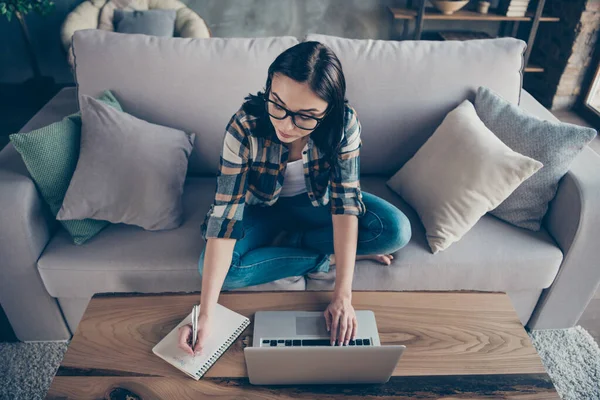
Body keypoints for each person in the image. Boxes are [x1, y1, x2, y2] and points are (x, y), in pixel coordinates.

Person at [178, 41, 411, 356]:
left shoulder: (344, 124)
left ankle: (299, 244)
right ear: (269, 87)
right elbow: (226, 216)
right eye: (278, 105)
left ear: (329, 109)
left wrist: (343, 295)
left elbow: (345, 205)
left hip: (318, 206)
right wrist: (205, 312)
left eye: (306, 116)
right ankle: (325, 255)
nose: (286, 126)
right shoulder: (244, 125)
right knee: (219, 270)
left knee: (395, 231)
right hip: (259, 210)